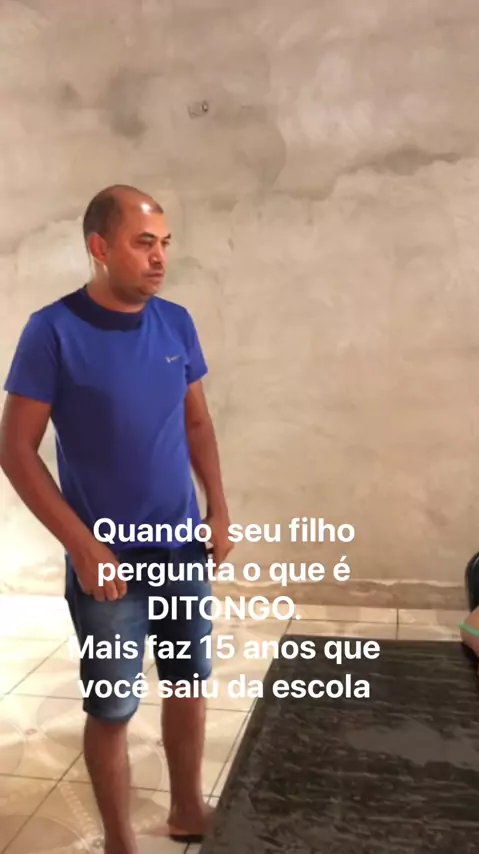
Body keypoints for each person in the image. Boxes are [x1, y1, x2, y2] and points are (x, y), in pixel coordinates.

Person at [0, 184, 232, 853]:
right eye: (143, 243)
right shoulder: (52, 330)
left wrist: (218, 508)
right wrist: (82, 546)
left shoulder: (175, 323)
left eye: (165, 244)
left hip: (180, 547)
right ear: (100, 247)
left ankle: (187, 809)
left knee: (188, 682)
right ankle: (119, 842)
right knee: (112, 705)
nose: (160, 258)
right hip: (107, 561)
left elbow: (196, 422)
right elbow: (15, 449)